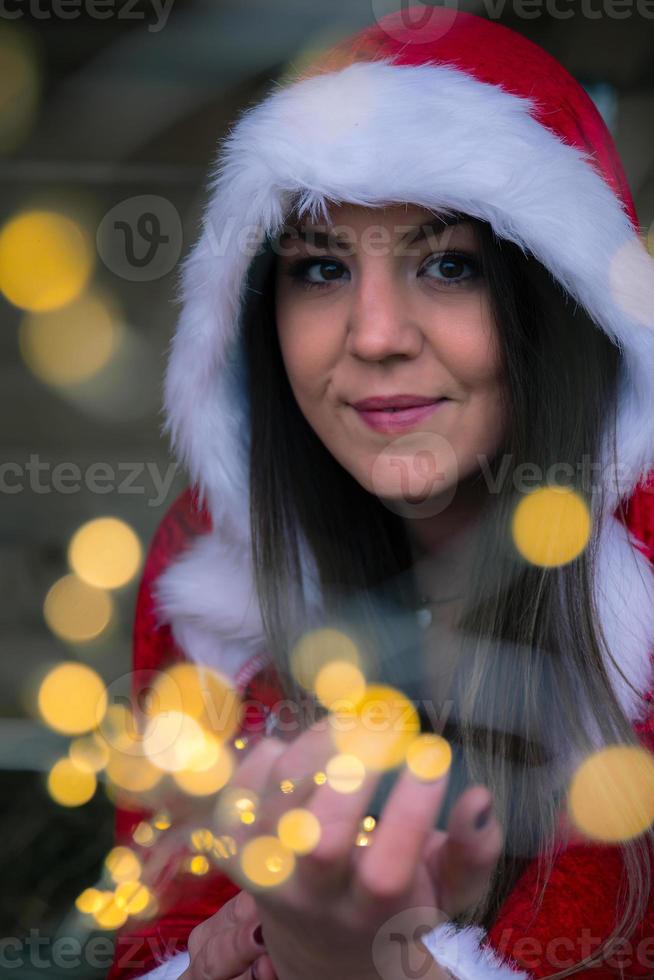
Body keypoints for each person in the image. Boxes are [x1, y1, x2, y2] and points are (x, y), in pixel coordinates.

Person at [106, 7, 654, 980]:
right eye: (319, 267)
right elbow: (149, 928)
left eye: (447, 264)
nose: (374, 335)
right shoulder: (208, 575)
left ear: (554, 304)